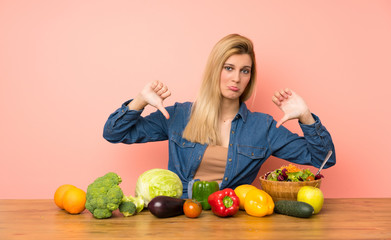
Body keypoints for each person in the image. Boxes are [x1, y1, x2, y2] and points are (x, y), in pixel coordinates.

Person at [103, 34, 336, 198]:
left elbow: (324, 158)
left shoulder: (263, 127)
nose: (236, 78)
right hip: (178, 218)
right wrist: (139, 101)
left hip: (231, 220)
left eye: (245, 71)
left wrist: (306, 117)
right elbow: (113, 134)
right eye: (228, 68)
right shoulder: (180, 115)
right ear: (215, 70)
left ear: (250, 78)